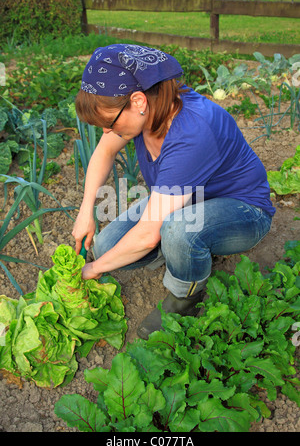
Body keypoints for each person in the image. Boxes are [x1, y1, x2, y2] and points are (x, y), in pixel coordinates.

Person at [72, 43, 275, 340]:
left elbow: (146, 235)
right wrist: (86, 211)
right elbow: (104, 152)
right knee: (105, 246)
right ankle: (186, 252)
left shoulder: (192, 131)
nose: (107, 133)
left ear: (138, 101)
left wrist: (92, 270)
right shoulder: (149, 112)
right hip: (189, 199)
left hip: (243, 210)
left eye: (109, 123)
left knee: (180, 230)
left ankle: (185, 298)